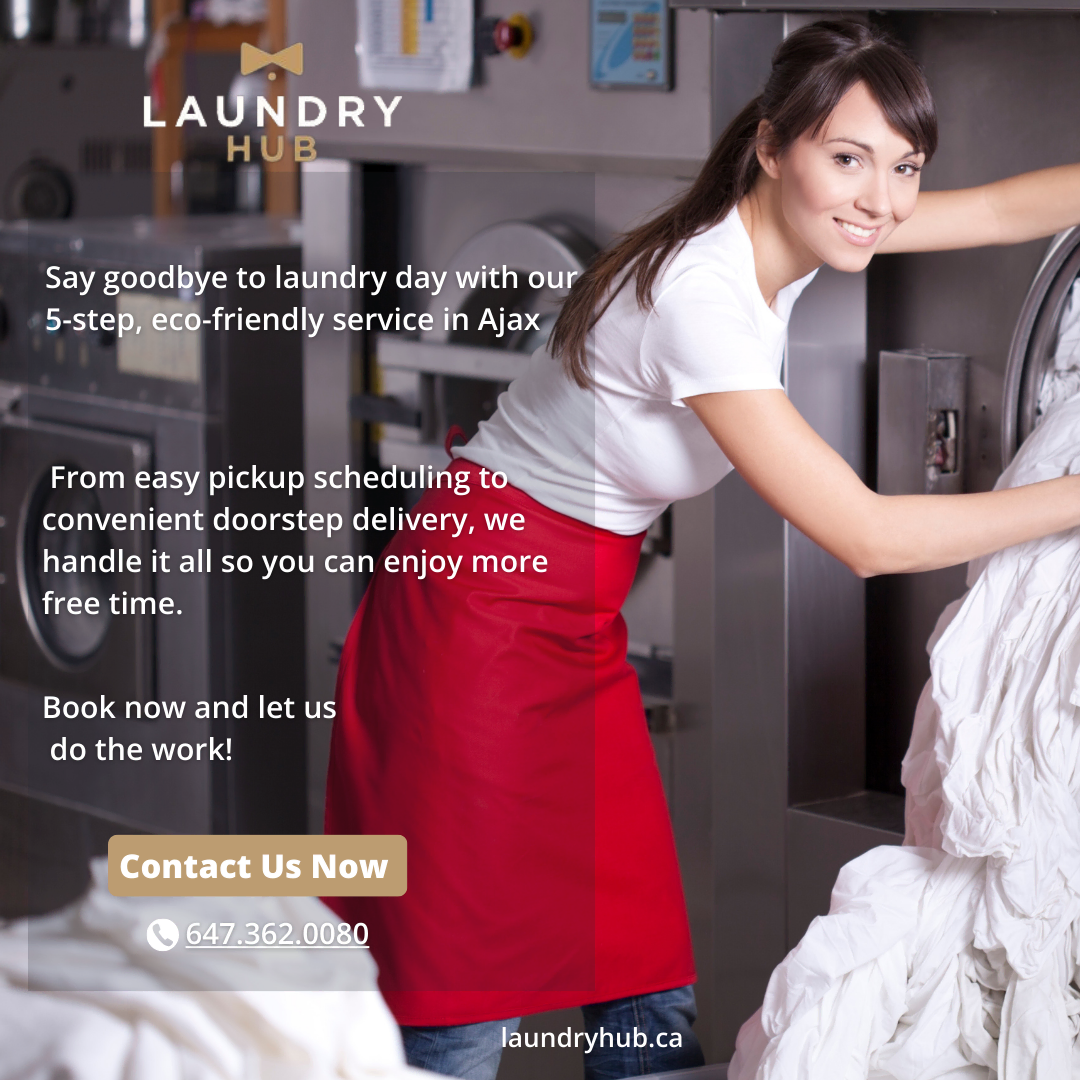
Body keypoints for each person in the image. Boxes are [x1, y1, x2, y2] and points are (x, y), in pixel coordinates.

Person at [325, 19, 1080, 1080]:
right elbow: (863, 535)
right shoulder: (703, 294)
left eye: (904, 167)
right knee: (460, 981)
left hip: (571, 619)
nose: (881, 197)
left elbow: (1004, 209)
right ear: (772, 147)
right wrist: (1071, 497)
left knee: (635, 967)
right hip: (471, 620)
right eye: (847, 158)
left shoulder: (815, 234)